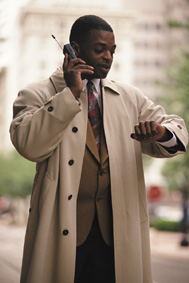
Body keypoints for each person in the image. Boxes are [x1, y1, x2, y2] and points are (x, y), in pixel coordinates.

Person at [10, 15, 188, 283]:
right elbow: (29, 145)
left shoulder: (130, 97)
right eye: (99, 49)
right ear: (74, 50)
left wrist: (161, 133)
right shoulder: (36, 94)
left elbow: (178, 129)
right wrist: (69, 93)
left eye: (112, 50)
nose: (108, 57)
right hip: (63, 232)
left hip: (116, 237)